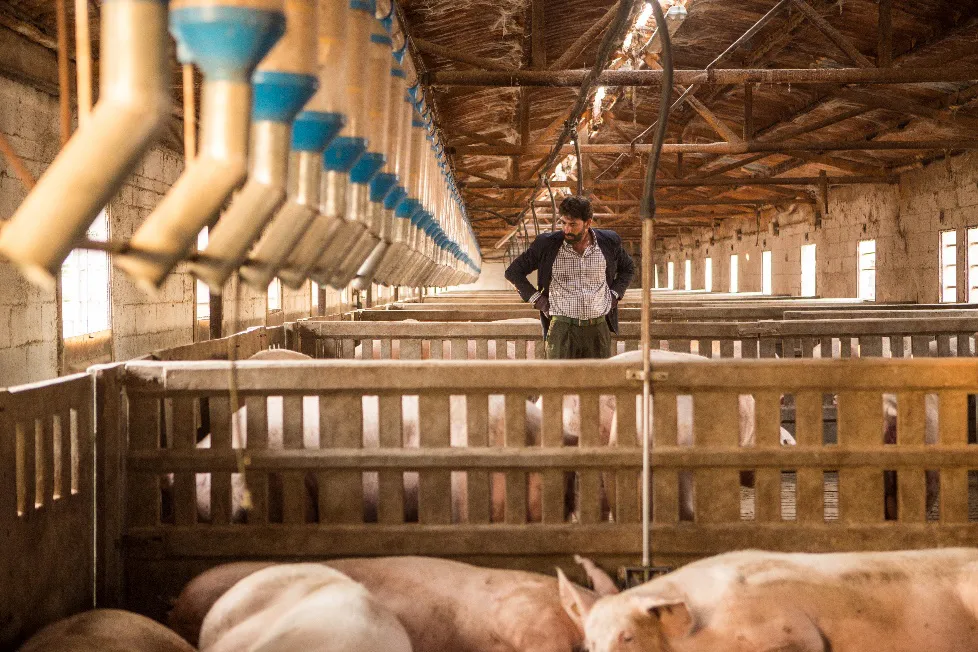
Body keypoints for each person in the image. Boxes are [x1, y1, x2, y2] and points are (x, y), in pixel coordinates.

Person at [504, 195, 635, 359]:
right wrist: (538, 300)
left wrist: (614, 295)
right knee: (560, 381)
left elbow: (628, 268)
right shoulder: (547, 244)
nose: (566, 229)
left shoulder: (608, 242)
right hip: (562, 328)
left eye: (573, 224)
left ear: (588, 223)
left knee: (599, 381)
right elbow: (513, 272)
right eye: (563, 223)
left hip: (598, 327)